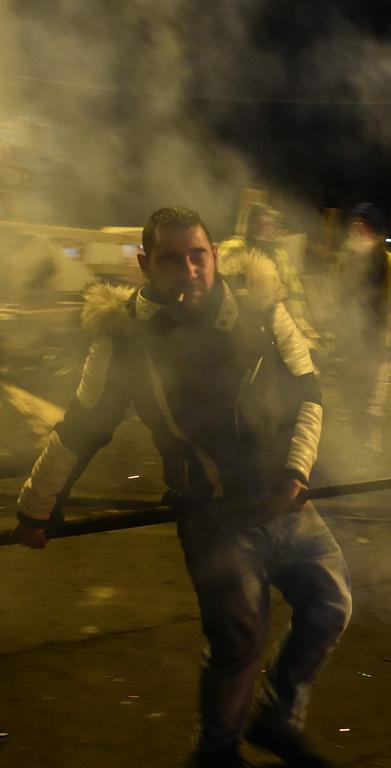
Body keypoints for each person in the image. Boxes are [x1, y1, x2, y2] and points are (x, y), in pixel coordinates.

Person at [13, 207, 350, 768]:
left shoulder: (264, 310)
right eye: (172, 259)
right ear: (146, 265)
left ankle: (276, 715)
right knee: (239, 640)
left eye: (198, 256)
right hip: (212, 515)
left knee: (330, 604)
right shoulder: (124, 338)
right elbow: (81, 426)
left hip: (283, 498)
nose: (189, 270)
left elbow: (308, 393)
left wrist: (296, 473)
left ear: (215, 255)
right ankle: (215, 753)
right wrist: (36, 506)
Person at [332, 202, 391, 456]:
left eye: (362, 225)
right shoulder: (346, 258)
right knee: (353, 396)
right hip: (351, 338)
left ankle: (370, 450)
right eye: (354, 224)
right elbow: (339, 297)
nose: (356, 229)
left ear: (373, 231)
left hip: (379, 342)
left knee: (374, 401)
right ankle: (355, 446)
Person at [219, 202, 313, 336]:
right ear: (250, 225)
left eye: (269, 226)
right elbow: (219, 273)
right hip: (238, 316)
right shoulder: (235, 247)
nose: (265, 231)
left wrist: (299, 320)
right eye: (260, 226)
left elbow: (294, 288)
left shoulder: (280, 255)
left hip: (275, 318)